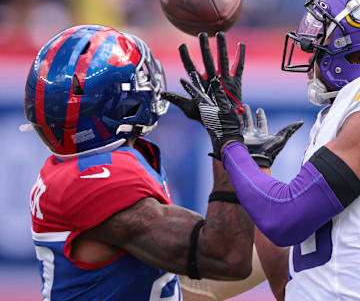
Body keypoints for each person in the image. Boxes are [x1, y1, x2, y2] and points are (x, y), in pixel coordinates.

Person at [24, 24, 301, 300]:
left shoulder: (81, 168)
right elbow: (226, 257)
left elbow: (174, 283)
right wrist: (227, 142)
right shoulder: (99, 180)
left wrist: (241, 157)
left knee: (299, 242)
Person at [166, 0, 360, 301]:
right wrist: (252, 163)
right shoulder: (341, 112)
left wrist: (229, 141)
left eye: (323, 35)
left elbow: (284, 216)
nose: (311, 51)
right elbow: (290, 279)